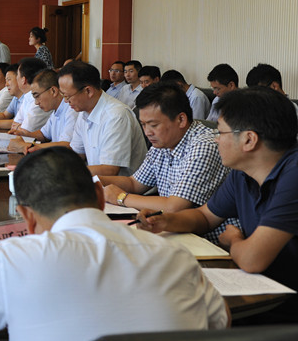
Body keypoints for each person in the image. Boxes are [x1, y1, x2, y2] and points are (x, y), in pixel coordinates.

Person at [0, 147, 228, 341]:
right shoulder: (175, 255)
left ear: (26, 217)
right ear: (99, 194)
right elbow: (221, 320)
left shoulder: (12, 259)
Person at [138, 87, 298, 321]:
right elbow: (205, 216)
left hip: (286, 307)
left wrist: (233, 239)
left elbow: (252, 260)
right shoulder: (242, 173)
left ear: (249, 139)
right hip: (264, 288)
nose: (216, 139)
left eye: (221, 132)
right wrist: (165, 220)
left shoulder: (293, 174)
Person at [97, 82, 231, 243]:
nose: (147, 132)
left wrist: (121, 198)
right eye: (143, 125)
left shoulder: (204, 145)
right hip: (173, 231)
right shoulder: (163, 142)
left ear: (181, 120)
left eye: (153, 125)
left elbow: (175, 206)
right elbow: (134, 183)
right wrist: (94, 181)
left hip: (212, 241)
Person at [59, 61, 147, 176]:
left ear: (88, 91)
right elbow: (77, 153)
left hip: (120, 185)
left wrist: (64, 172)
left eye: (67, 96)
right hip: (97, 181)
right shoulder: (84, 112)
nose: (66, 101)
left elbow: (109, 170)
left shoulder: (116, 116)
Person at [11, 69, 77, 153]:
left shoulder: (71, 109)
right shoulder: (55, 109)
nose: (36, 102)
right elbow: (43, 135)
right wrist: (24, 134)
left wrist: (28, 146)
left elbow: (67, 145)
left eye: (37, 96)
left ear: (53, 91)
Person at [9, 58, 51, 136]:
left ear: (23, 80)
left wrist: (19, 127)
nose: (16, 78)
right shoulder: (27, 96)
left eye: (17, 75)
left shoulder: (39, 99)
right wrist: (19, 126)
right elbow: (14, 125)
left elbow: (26, 130)